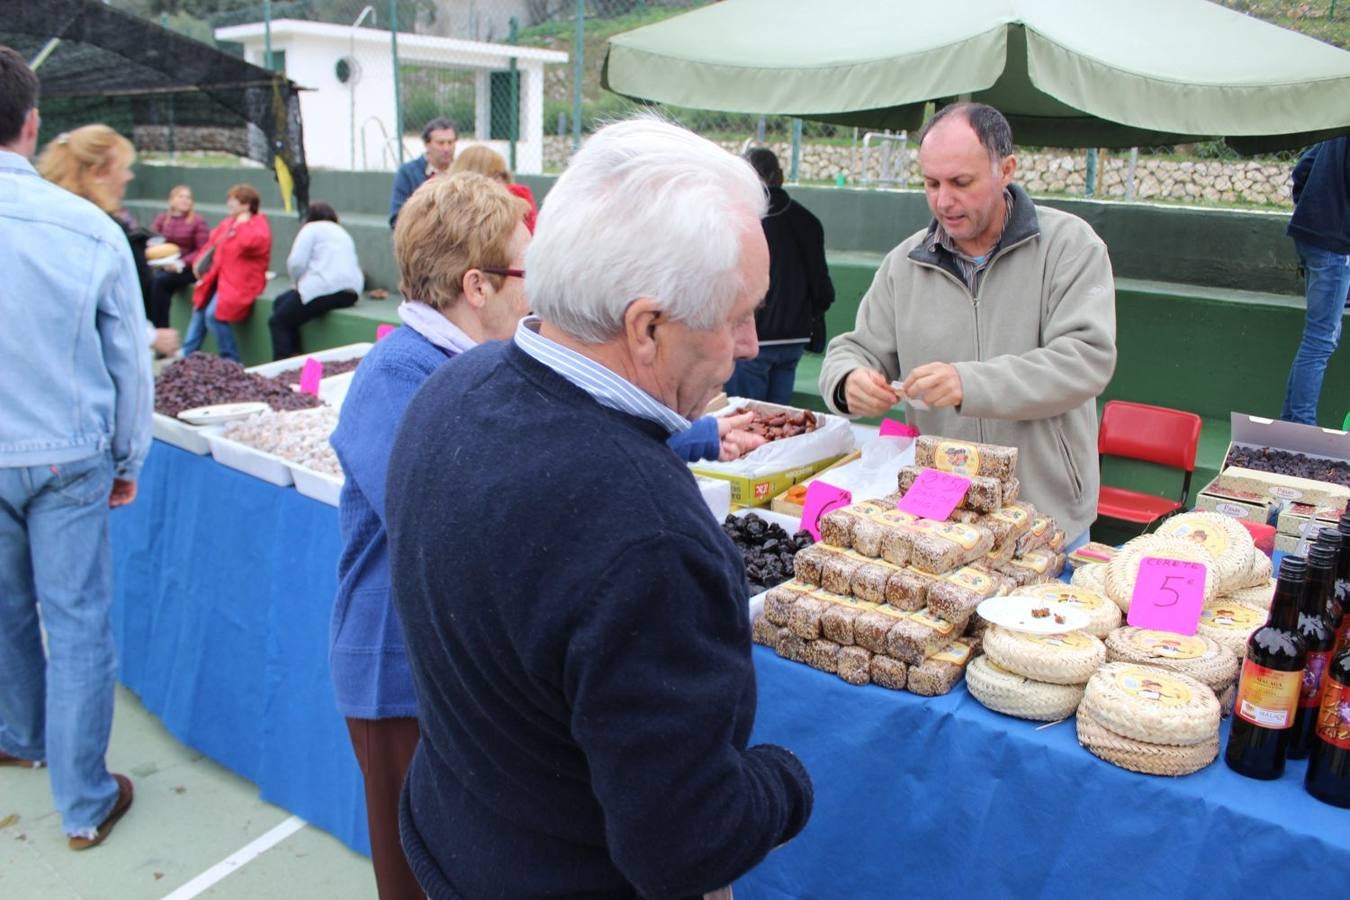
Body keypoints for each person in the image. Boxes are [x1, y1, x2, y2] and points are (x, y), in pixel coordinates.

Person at [384, 116, 813, 900]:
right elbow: (686, 846)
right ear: (647, 326)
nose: (750, 344)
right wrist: (787, 781)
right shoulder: (644, 532)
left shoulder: (450, 389)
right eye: (737, 314)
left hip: (462, 845)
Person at [329, 172, 530, 900]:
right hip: (396, 682)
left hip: (448, 675)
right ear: (477, 286)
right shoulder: (395, 377)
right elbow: (436, 525)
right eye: (523, 273)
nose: (532, 293)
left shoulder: (475, 366)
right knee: (416, 880)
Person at [818, 103, 1116, 549]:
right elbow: (854, 349)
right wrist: (848, 381)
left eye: (961, 182)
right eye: (930, 183)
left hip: (1046, 518)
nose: (943, 200)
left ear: (1007, 170)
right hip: (942, 519)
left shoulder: (1070, 246)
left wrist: (968, 383)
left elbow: (1084, 360)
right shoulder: (904, 263)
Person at [0, 45, 151, 850]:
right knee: (79, 623)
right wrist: (129, 460)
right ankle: (83, 802)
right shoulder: (87, 229)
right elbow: (129, 357)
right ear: (31, 124)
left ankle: (18, 738)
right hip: (68, 454)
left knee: (4, 612)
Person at [36, 124, 180, 359]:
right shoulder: (96, 231)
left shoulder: (50, 220)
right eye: (123, 168)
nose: (128, 176)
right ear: (98, 173)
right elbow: (94, 313)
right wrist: (149, 337)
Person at [725, 147, 834, 405]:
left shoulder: (740, 221)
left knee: (746, 422)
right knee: (776, 422)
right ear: (780, 176)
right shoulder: (808, 220)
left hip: (754, 338)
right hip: (794, 338)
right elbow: (823, 290)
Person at [1281, 136, 1349, 426]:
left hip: (1310, 235)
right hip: (1332, 244)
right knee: (1320, 341)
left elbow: (1302, 169)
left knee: (1321, 338)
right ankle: (1301, 426)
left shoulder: (1338, 125)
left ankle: (1291, 422)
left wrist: (1309, 211)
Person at [183, 183, 271, 363]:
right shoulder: (228, 223)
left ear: (246, 205)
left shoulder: (257, 225)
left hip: (240, 283)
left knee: (213, 316)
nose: (229, 203)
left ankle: (231, 361)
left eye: (234, 200)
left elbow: (251, 244)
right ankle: (187, 358)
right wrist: (198, 263)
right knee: (199, 311)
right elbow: (212, 245)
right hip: (218, 279)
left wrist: (242, 225)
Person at [268, 201, 363, 360]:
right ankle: (295, 353)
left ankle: (284, 368)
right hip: (350, 292)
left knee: (278, 322)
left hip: (323, 288)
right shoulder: (341, 231)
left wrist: (297, 283)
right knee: (280, 303)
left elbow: (296, 263)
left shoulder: (311, 228)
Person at [147, 185, 211, 329]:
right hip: (166, 265)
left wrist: (181, 263)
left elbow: (202, 250)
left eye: (188, 197)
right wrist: (162, 261)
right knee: (151, 279)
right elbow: (153, 240)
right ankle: (153, 328)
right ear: (172, 200)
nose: (185, 200)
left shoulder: (197, 221)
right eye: (181, 197)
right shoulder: (163, 219)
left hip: (189, 268)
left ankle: (161, 329)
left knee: (161, 281)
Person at [450, 144, 538, 232]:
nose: (500, 181)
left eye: (503, 175)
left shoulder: (519, 196)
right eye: (494, 176)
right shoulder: (453, 203)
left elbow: (531, 234)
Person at [388, 117, 457, 227]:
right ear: (427, 144)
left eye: (450, 142)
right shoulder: (407, 172)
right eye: (440, 143)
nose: (446, 148)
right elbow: (396, 218)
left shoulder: (462, 172)